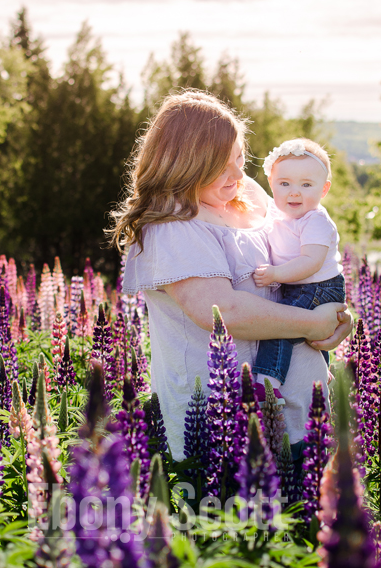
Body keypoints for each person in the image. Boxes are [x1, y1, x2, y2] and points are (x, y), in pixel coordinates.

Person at [110, 90, 352, 462]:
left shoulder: (248, 194)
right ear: (185, 164)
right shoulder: (171, 225)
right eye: (222, 164)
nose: (239, 173)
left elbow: (302, 250)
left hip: (305, 413)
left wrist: (333, 311)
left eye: (240, 156)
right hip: (223, 429)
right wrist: (312, 323)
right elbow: (221, 311)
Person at [251, 138, 345, 390]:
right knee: (303, 333)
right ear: (271, 184)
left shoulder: (315, 221)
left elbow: (310, 262)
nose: (294, 192)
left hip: (318, 286)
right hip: (302, 285)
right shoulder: (278, 211)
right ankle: (321, 368)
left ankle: (267, 384)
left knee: (281, 327)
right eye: (284, 183)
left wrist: (275, 274)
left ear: (323, 190)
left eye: (306, 184)